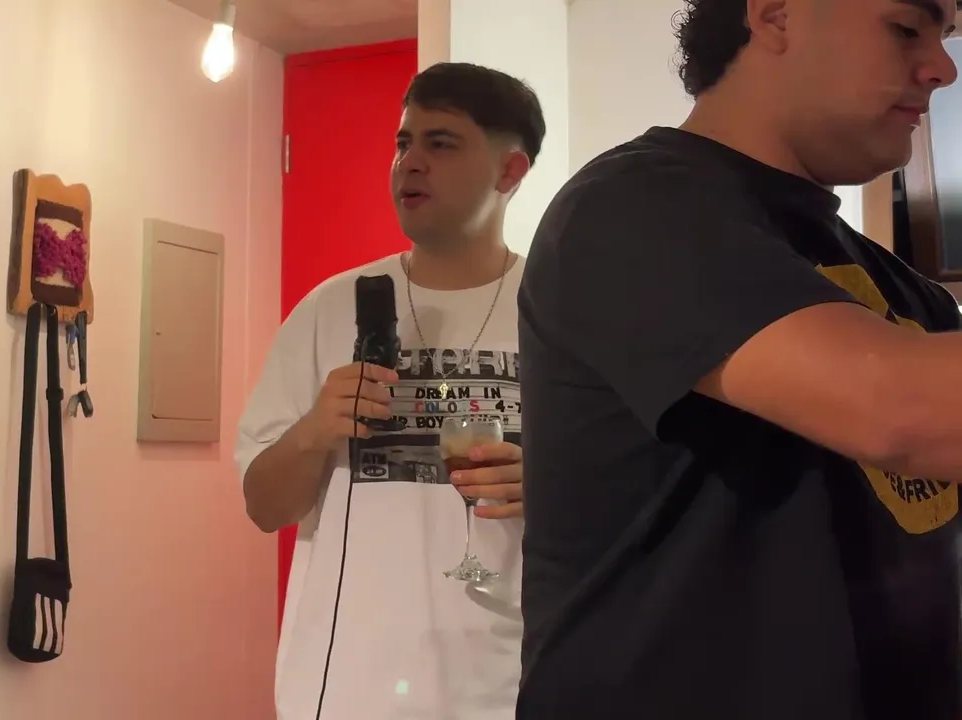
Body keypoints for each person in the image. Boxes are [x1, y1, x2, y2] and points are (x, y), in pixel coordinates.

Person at [517, 0, 961, 718]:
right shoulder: (631, 205)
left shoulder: (909, 294)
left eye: (946, 36)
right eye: (907, 27)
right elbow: (902, 409)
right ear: (778, 15)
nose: (943, 68)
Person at [236, 62, 543, 719]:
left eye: (441, 143)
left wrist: (552, 483)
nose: (411, 162)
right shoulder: (328, 309)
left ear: (509, 171)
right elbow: (264, 506)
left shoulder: (561, 311)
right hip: (346, 688)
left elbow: (629, 499)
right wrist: (315, 430)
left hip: (506, 685)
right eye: (404, 143)